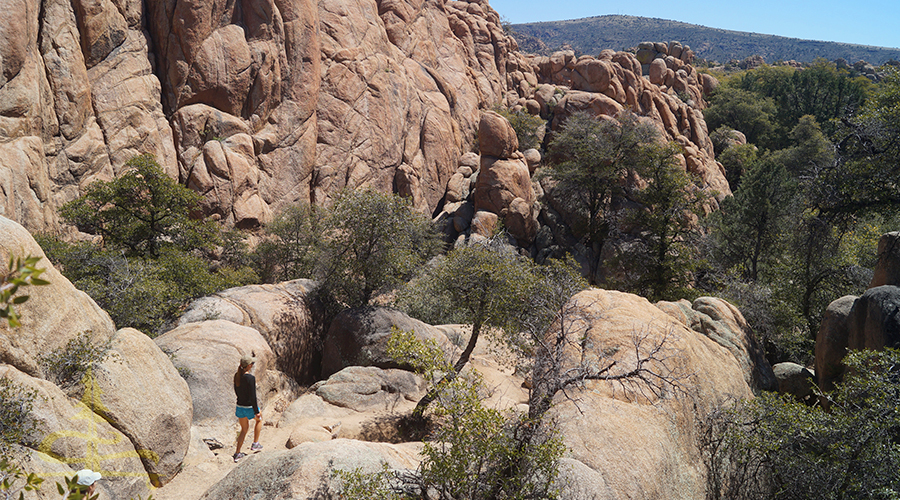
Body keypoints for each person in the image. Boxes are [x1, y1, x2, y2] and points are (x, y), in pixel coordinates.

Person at [233, 354, 262, 462]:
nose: (253, 365)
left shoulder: (237, 376)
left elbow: (237, 392)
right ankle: (255, 444)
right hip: (249, 407)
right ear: (249, 366)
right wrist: (256, 411)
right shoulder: (250, 378)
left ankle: (237, 454)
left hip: (239, 406)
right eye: (252, 363)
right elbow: (253, 396)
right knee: (259, 420)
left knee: (244, 430)